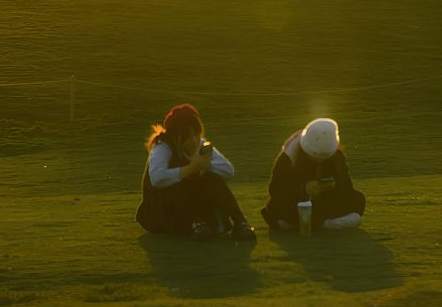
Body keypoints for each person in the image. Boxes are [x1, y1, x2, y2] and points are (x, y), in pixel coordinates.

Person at [136, 103, 256, 241]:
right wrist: (191, 168)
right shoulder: (162, 147)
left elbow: (228, 170)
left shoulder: (199, 144)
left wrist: (204, 164)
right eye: (188, 135)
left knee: (212, 178)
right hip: (162, 207)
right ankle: (197, 224)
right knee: (176, 183)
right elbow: (157, 178)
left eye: (196, 134)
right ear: (176, 136)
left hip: (190, 199)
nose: (194, 140)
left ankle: (240, 222)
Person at [261, 118, 365, 232]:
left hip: (326, 201)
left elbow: (347, 186)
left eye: (324, 158)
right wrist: (304, 189)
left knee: (358, 198)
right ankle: (326, 223)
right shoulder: (289, 157)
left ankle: (309, 223)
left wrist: (333, 186)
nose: (319, 161)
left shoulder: (337, 155)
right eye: (314, 156)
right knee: (278, 207)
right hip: (297, 203)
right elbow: (275, 191)